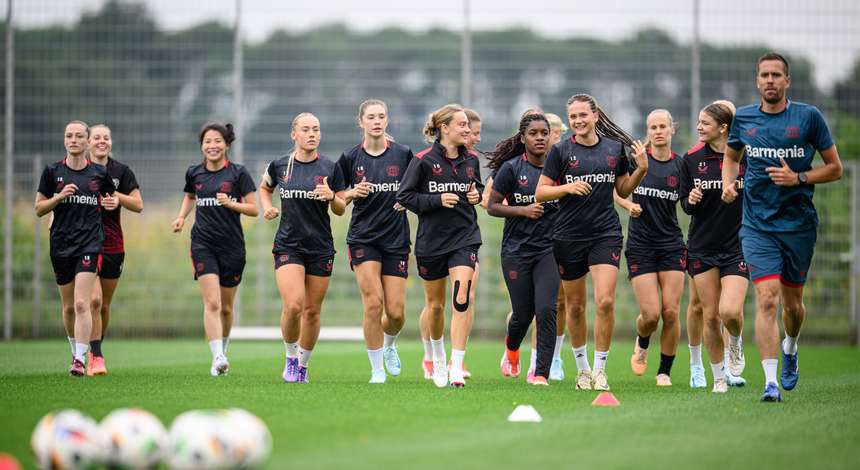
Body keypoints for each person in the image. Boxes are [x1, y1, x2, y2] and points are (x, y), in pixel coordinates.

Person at [722, 52, 843, 402]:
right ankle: (771, 382)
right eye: (765, 75)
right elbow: (732, 157)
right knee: (767, 298)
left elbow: (835, 168)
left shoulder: (808, 117)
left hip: (798, 225)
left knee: (793, 307)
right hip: (757, 225)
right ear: (757, 81)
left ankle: (790, 344)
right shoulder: (743, 118)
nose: (770, 80)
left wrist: (799, 177)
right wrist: (729, 184)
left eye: (777, 75)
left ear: (787, 81)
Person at [536, 94, 648, 391]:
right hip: (568, 235)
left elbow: (622, 187)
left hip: (605, 233)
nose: (578, 121)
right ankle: (582, 369)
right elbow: (541, 192)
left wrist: (641, 170)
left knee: (605, 301)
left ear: (595, 115)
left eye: (583, 115)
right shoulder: (560, 151)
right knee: (574, 307)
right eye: (573, 117)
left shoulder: (614, 149)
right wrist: (567, 187)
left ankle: (600, 370)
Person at [397, 103, 482, 388]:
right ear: (444, 128)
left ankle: (456, 366)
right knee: (435, 306)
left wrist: (475, 195)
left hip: (465, 238)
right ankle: (436, 356)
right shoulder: (422, 160)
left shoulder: (471, 160)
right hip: (431, 243)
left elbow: (477, 189)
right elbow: (405, 196)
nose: (467, 130)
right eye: (461, 125)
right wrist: (435, 200)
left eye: (467, 125)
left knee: (461, 298)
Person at [260, 113, 346, 384]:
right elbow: (265, 188)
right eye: (306, 129)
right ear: (294, 134)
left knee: (312, 310)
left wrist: (332, 197)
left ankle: (304, 366)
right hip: (288, 245)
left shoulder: (331, 168)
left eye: (316, 130)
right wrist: (269, 207)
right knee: (294, 305)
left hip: (320, 247)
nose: (312, 134)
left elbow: (341, 208)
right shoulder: (280, 165)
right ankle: (290, 358)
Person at [335, 100, 413, 384]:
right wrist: (352, 192)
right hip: (363, 239)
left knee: (396, 313)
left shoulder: (403, 154)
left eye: (381, 116)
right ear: (361, 122)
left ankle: (390, 346)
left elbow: (416, 190)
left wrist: (409, 202)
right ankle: (377, 369)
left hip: (396, 240)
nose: (377, 121)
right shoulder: (349, 158)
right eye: (371, 117)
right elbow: (336, 202)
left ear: (387, 120)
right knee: (373, 303)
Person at [171, 122, 258, 377]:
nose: (212, 146)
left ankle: (224, 350)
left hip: (232, 246)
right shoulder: (194, 173)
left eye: (217, 141)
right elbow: (189, 196)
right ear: (201, 146)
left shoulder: (239, 174)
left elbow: (253, 208)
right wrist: (181, 217)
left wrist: (232, 204)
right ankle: (217, 356)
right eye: (207, 141)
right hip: (202, 244)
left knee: (227, 308)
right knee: (212, 303)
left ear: (227, 145)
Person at [35, 120, 116, 376]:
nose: (74, 140)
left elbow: (110, 198)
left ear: (87, 141)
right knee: (69, 307)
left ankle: (81, 359)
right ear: (64, 140)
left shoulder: (99, 174)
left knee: (83, 303)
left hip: (90, 244)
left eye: (79, 136)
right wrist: (58, 198)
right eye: (69, 136)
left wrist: (112, 203)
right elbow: (39, 209)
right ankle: (74, 350)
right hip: (60, 244)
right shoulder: (52, 172)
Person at [679, 102, 749, 393]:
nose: (699, 128)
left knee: (730, 312)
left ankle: (736, 341)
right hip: (702, 246)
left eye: (705, 123)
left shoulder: (746, 157)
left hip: (739, 245)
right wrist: (691, 199)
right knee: (710, 315)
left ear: (723, 128)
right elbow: (684, 203)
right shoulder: (692, 159)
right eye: (698, 122)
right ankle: (719, 377)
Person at [486, 113, 560, 386]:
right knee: (522, 314)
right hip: (516, 251)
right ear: (523, 138)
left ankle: (541, 373)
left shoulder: (560, 167)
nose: (540, 138)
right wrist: (523, 210)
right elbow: (492, 206)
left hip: (550, 249)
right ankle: (512, 349)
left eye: (544, 133)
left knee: (546, 309)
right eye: (534, 133)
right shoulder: (511, 168)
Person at [613, 109, 685, 387]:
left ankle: (664, 371)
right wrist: (628, 204)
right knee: (652, 315)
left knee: (671, 312)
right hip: (641, 246)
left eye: (662, 126)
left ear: (672, 130)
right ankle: (642, 343)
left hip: (671, 245)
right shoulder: (637, 161)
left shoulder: (681, 166)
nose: (657, 131)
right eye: (652, 127)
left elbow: (691, 201)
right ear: (648, 130)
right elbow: (615, 189)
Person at [85, 124, 143, 376]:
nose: (101, 141)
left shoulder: (121, 171)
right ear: (88, 142)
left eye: (106, 138)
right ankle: (95, 355)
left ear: (111, 142)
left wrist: (119, 198)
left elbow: (138, 204)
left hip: (113, 244)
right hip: (83, 242)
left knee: (103, 305)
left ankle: (94, 345)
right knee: (93, 300)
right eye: (96, 137)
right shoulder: (77, 170)